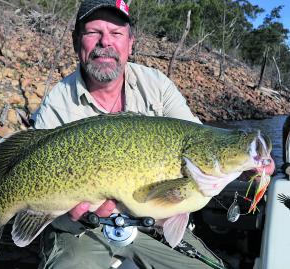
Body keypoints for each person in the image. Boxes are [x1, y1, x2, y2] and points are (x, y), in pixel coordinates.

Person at [31, 1, 275, 268]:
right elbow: (37, 186)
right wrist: (66, 215)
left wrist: (245, 165)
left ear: (131, 43)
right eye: (93, 32)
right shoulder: (57, 102)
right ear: (77, 41)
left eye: (116, 33)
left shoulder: (157, 85)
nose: (105, 43)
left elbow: (197, 135)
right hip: (82, 231)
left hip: (155, 229)